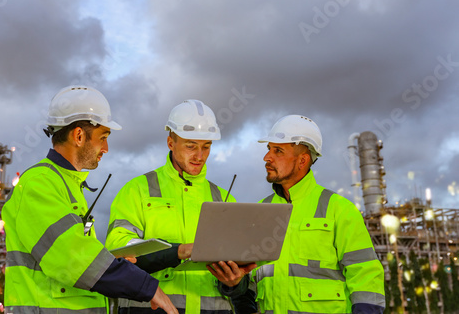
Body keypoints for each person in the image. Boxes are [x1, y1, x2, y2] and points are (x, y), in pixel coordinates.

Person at [2, 86, 178, 314]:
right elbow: (72, 258)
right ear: (78, 136)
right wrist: (147, 287)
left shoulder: (68, 184)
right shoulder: (39, 184)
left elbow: (77, 253)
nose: (106, 148)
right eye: (103, 137)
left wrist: (113, 263)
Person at [106, 99, 255, 313]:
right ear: (170, 143)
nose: (199, 156)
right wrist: (178, 251)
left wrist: (235, 283)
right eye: (191, 146)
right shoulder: (137, 190)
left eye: (206, 147)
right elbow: (119, 250)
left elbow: (241, 281)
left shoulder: (224, 198)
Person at [252, 115, 385, 314]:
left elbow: (366, 276)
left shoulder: (338, 209)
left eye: (278, 151)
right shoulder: (260, 211)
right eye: (268, 149)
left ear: (302, 160)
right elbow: (249, 279)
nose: (267, 157)